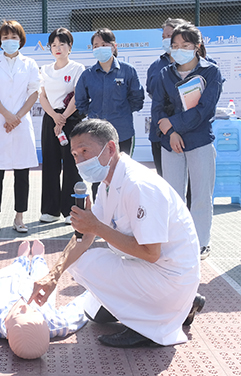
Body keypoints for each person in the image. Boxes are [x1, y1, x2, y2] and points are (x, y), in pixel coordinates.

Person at [29, 119, 204, 349]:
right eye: (74, 155)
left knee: (85, 263)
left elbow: (151, 253)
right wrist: (53, 276)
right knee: (94, 313)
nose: (80, 161)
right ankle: (184, 305)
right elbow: (85, 235)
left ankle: (149, 326)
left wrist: (96, 227)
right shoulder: (107, 184)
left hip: (168, 277)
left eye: (85, 151)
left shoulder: (139, 184)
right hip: (153, 273)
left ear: (110, 148)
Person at [151, 23, 222, 260]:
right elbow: (158, 108)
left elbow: (204, 110)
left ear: (197, 46)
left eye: (185, 45)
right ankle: (176, 241)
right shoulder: (165, 73)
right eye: (175, 45)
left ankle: (201, 242)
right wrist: (171, 133)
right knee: (173, 196)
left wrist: (173, 125)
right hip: (170, 143)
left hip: (199, 140)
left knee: (201, 195)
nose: (179, 49)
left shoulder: (211, 72)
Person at [0, 20, 41, 234]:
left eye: (14, 37)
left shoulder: (30, 64)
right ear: (0, 41)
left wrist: (17, 117)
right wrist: (7, 115)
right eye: (5, 37)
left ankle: (19, 217)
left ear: (21, 40)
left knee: (22, 173)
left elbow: (34, 92)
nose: (9, 41)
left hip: (21, 123)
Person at [74, 28, 144, 198]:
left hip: (123, 132)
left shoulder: (128, 71)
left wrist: (121, 113)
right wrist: (95, 115)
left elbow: (137, 99)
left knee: (122, 175)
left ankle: (122, 211)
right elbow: (81, 102)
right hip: (96, 137)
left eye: (104, 44)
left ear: (114, 46)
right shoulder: (87, 75)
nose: (100, 48)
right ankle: (99, 211)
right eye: (96, 45)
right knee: (98, 178)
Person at [38, 27, 86, 225]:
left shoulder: (77, 68)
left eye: (62, 44)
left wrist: (63, 118)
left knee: (71, 164)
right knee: (50, 163)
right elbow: (42, 96)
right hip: (51, 118)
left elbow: (78, 95)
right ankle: (50, 210)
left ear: (70, 46)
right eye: (54, 45)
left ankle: (70, 210)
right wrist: (55, 117)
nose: (58, 48)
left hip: (71, 119)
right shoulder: (45, 70)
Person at [146, 18, 187, 176]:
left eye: (169, 36)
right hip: (160, 131)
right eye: (163, 37)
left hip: (188, 131)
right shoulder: (156, 66)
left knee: (190, 182)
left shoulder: (199, 64)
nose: (165, 40)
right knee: (163, 180)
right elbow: (151, 93)